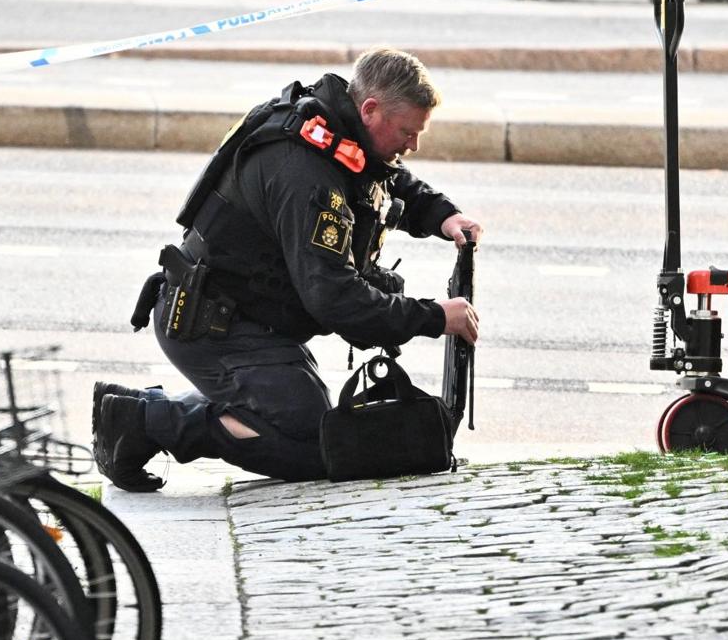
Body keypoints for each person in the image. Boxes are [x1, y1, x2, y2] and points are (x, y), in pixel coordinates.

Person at [92, 47, 483, 491]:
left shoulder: (338, 130)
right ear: (370, 109)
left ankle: (135, 410)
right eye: (407, 132)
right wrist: (434, 317)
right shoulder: (304, 173)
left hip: (252, 322)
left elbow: (385, 177)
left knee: (313, 427)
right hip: (213, 328)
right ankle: (145, 421)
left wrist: (442, 215)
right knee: (316, 446)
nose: (412, 145)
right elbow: (335, 298)